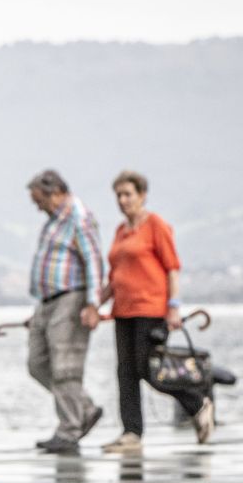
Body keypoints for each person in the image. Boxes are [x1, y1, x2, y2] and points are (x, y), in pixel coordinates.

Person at [98, 171, 215, 453]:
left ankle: (197, 403)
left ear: (142, 195)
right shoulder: (121, 231)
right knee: (125, 372)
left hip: (151, 309)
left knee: (150, 370)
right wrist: (94, 305)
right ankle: (131, 433)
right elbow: (115, 276)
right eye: (119, 195)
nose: (123, 200)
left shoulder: (156, 225)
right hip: (123, 311)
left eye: (128, 194)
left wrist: (173, 307)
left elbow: (172, 268)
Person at [25, 169, 106, 454]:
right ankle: (84, 408)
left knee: (65, 367)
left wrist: (93, 304)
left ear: (55, 193)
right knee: (37, 364)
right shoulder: (53, 220)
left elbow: (94, 262)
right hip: (48, 301)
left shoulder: (79, 218)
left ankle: (70, 430)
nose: (37, 207)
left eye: (39, 201)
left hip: (72, 298)